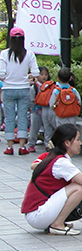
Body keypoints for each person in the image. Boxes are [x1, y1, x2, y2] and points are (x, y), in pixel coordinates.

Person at [21, 124, 82, 236]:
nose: (80, 143)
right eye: (78, 139)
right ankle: (57, 225)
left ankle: (57, 223)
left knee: (79, 184)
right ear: (67, 143)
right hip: (37, 214)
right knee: (80, 188)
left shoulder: (55, 158)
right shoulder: (60, 162)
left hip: (36, 213)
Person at [0, 27, 39, 156]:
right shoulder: (29, 54)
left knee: (9, 118)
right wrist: (27, 78)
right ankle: (22, 147)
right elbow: (35, 73)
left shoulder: (4, 54)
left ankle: (9, 147)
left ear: (11, 39)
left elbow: (1, 73)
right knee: (22, 117)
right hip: (24, 89)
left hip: (8, 89)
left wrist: (8, 79)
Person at [27, 66, 50, 153]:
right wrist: (33, 109)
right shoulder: (34, 87)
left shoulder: (49, 86)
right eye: (41, 74)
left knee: (48, 128)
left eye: (46, 74)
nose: (44, 76)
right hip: (36, 111)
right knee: (34, 128)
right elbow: (31, 100)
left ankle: (47, 144)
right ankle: (31, 144)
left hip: (46, 110)